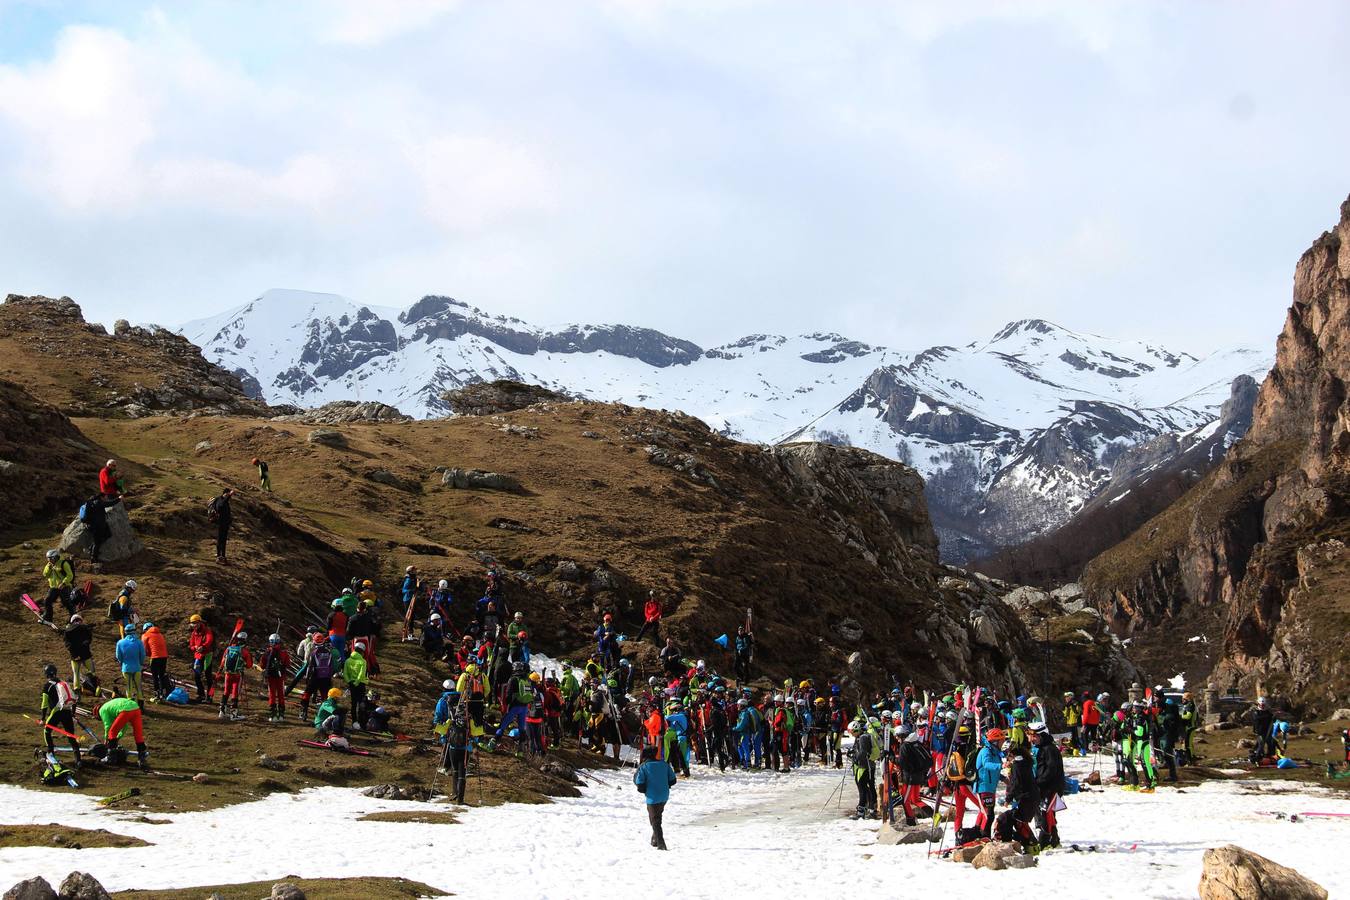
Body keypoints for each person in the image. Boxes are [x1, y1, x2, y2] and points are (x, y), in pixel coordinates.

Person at [995, 740, 1040, 847]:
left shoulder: (1017, 765)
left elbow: (1016, 783)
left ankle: (1029, 844)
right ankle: (1030, 844)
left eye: (1007, 755)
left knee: (1016, 820)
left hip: (1026, 797)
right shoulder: (1026, 761)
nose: (1007, 759)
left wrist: (1008, 798)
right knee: (1020, 820)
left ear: (1012, 754)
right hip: (1032, 796)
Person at [634, 745, 678, 850]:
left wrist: (645, 789)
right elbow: (673, 780)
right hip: (664, 796)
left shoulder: (643, 767)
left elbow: (639, 784)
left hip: (652, 797)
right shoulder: (664, 764)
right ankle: (654, 840)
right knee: (657, 817)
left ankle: (661, 844)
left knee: (655, 821)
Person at [1031, 722, 1066, 848]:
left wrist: (1038, 782)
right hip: (1045, 787)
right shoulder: (1042, 749)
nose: (1032, 738)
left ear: (1042, 735)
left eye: (1034, 735)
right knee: (1047, 813)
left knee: (1046, 814)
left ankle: (1045, 841)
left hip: (1051, 788)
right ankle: (1054, 840)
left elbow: (1050, 771)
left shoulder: (1050, 749)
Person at [40, 663, 81, 767]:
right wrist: (73, 714)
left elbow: (44, 704)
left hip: (56, 712)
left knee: (47, 731)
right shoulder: (63, 683)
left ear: (46, 674)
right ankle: (78, 760)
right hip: (67, 711)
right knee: (71, 735)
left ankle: (51, 753)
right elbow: (73, 699)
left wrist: (43, 719)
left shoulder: (47, 686)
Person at [98, 694, 148, 769]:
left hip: (125, 709)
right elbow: (124, 726)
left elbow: (108, 726)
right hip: (135, 707)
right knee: (138, 735)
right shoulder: (111, 708)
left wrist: (106, 740)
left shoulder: (102, 710)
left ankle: (111, 758)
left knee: (112, 732)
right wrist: (117, 738)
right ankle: (142, 760)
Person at [973, 727, 1005, 840]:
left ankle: (977, 834)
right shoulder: (986, 751)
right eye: (1002, 740)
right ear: (995, 741)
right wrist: (1002, 766)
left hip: (990, 787)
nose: (1003, 743)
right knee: (989, 815)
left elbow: (992, 771)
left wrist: (1003, 778)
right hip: (984, 786)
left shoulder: (995, 752)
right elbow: (986, 765)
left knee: (984, 813)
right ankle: (984, 837)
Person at [218, 630, 252, 720]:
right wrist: (243, 663)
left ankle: (222, 712)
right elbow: (249, 665)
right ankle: (234, 714)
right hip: (237, 675)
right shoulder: (244, 651)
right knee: (235, 693)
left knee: (226, 691)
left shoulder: (229, 648)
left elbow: (223, 661)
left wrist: (220, 670)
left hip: (227, 673)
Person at [300, 637, 336, 721]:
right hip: (326, 678)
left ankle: (303, 712)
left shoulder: (314, 652)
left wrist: (307, 678)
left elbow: (310, 666)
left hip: (315, 676)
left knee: (307, 694)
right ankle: (325, 714)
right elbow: (331, 666)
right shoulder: (329, 652)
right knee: (325, 697)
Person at [848, 719, 877, 820]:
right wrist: (853, 752)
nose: (851, 734)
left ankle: (862, 811)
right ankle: (871, 808)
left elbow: (863, 753)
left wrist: (854, 758)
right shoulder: (861, 736)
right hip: (866, 766)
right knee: (868, 787)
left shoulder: (863, 738)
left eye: (852, 732)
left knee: (863, 788)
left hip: (864, 766)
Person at [260, 634, 291, 723]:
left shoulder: (267, 652)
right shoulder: (284, 652)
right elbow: (288, 664)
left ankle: (272, 715)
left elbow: (262, 666)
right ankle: (281, 715)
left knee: (272, 695)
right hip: (281, 677)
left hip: (270, 677)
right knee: (281, 695)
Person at [63, 614, 96, 695]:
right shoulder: (85, 628)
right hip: (85, 654)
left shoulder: (67, 631)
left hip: (74, 656)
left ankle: (77, 688)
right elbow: (89, 639)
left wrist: (75, 654)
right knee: (91, 671)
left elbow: (68, 645)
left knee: (76, 673)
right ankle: (93, 685)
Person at [41, 549, 75, 623]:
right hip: (53, 587)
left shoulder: (64, 563)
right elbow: (45, 574)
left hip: (64, 587)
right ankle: (48, 617)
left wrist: (63, 583)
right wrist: (49, 568)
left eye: (50, 558)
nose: (49, 560)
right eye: (48, 559)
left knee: (66, 603)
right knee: (47, 601)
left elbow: (70, 575)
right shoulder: (49, 565)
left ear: (55, 557)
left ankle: (73, 618)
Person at [188, 614, 217, 703]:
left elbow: (209, 640)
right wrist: (195, 648)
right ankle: (200, 694)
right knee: (197, 676)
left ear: (200, 622)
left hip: (207, 655)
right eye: (193, 623)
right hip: (198, 656)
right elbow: (191, 645)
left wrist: (203, 647)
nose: (194, 625)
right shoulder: (194, 633)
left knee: (208, 676)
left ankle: (209, 696)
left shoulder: (207, 631)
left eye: (196, 623)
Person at [115, 623, 146, 704]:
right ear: (134, 631)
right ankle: (141, 705)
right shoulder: (139, 642)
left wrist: (122, 662)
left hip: (126, 668)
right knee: (138, 686)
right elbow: (142, 654)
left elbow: (118, 656)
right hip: (137, 667)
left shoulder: (120, 643)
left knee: (129, 687)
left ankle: (130, 704)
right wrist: (140, 663)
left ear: (125, 632)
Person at [343, 640, 370, 728]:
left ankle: (354, 722)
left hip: (351, 684)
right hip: (360, 684)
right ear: (362, 651)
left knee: (353, 704)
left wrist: (349, 681)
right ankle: (361, 722)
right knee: (361, 703)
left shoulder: (347, 660)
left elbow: (345, 673)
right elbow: (361, 674)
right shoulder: (363, 661)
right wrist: (357, 682)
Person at [141, 622, 170, 700]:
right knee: (161, 675)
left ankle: (156, 694)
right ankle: (163, 693)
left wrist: (148, 655)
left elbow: (144, 649)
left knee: (155, 677)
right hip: (164, 657)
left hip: (155, 657)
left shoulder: (145, 635)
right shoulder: (160, 634)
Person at [206, 488, 234, 563]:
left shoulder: (225, 500)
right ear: (225, 493)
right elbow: (220, 507)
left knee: (224, 540)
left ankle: (223, 556)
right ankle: (219, 556)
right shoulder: (220, 500)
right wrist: (228, 497)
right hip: (220, 523)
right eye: (228, 494)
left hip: (225, 523)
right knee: (220, 540)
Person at [400, 565, 421, 641]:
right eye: (414, 570)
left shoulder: (414, 579)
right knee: (409, 617)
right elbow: (404, 590)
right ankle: (408, 633)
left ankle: (410, 633)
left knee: (412, 617)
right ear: (410, 572)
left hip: (413, 599)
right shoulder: (408, 580)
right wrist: (413, 590)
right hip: (408, 599)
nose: (415, 572)